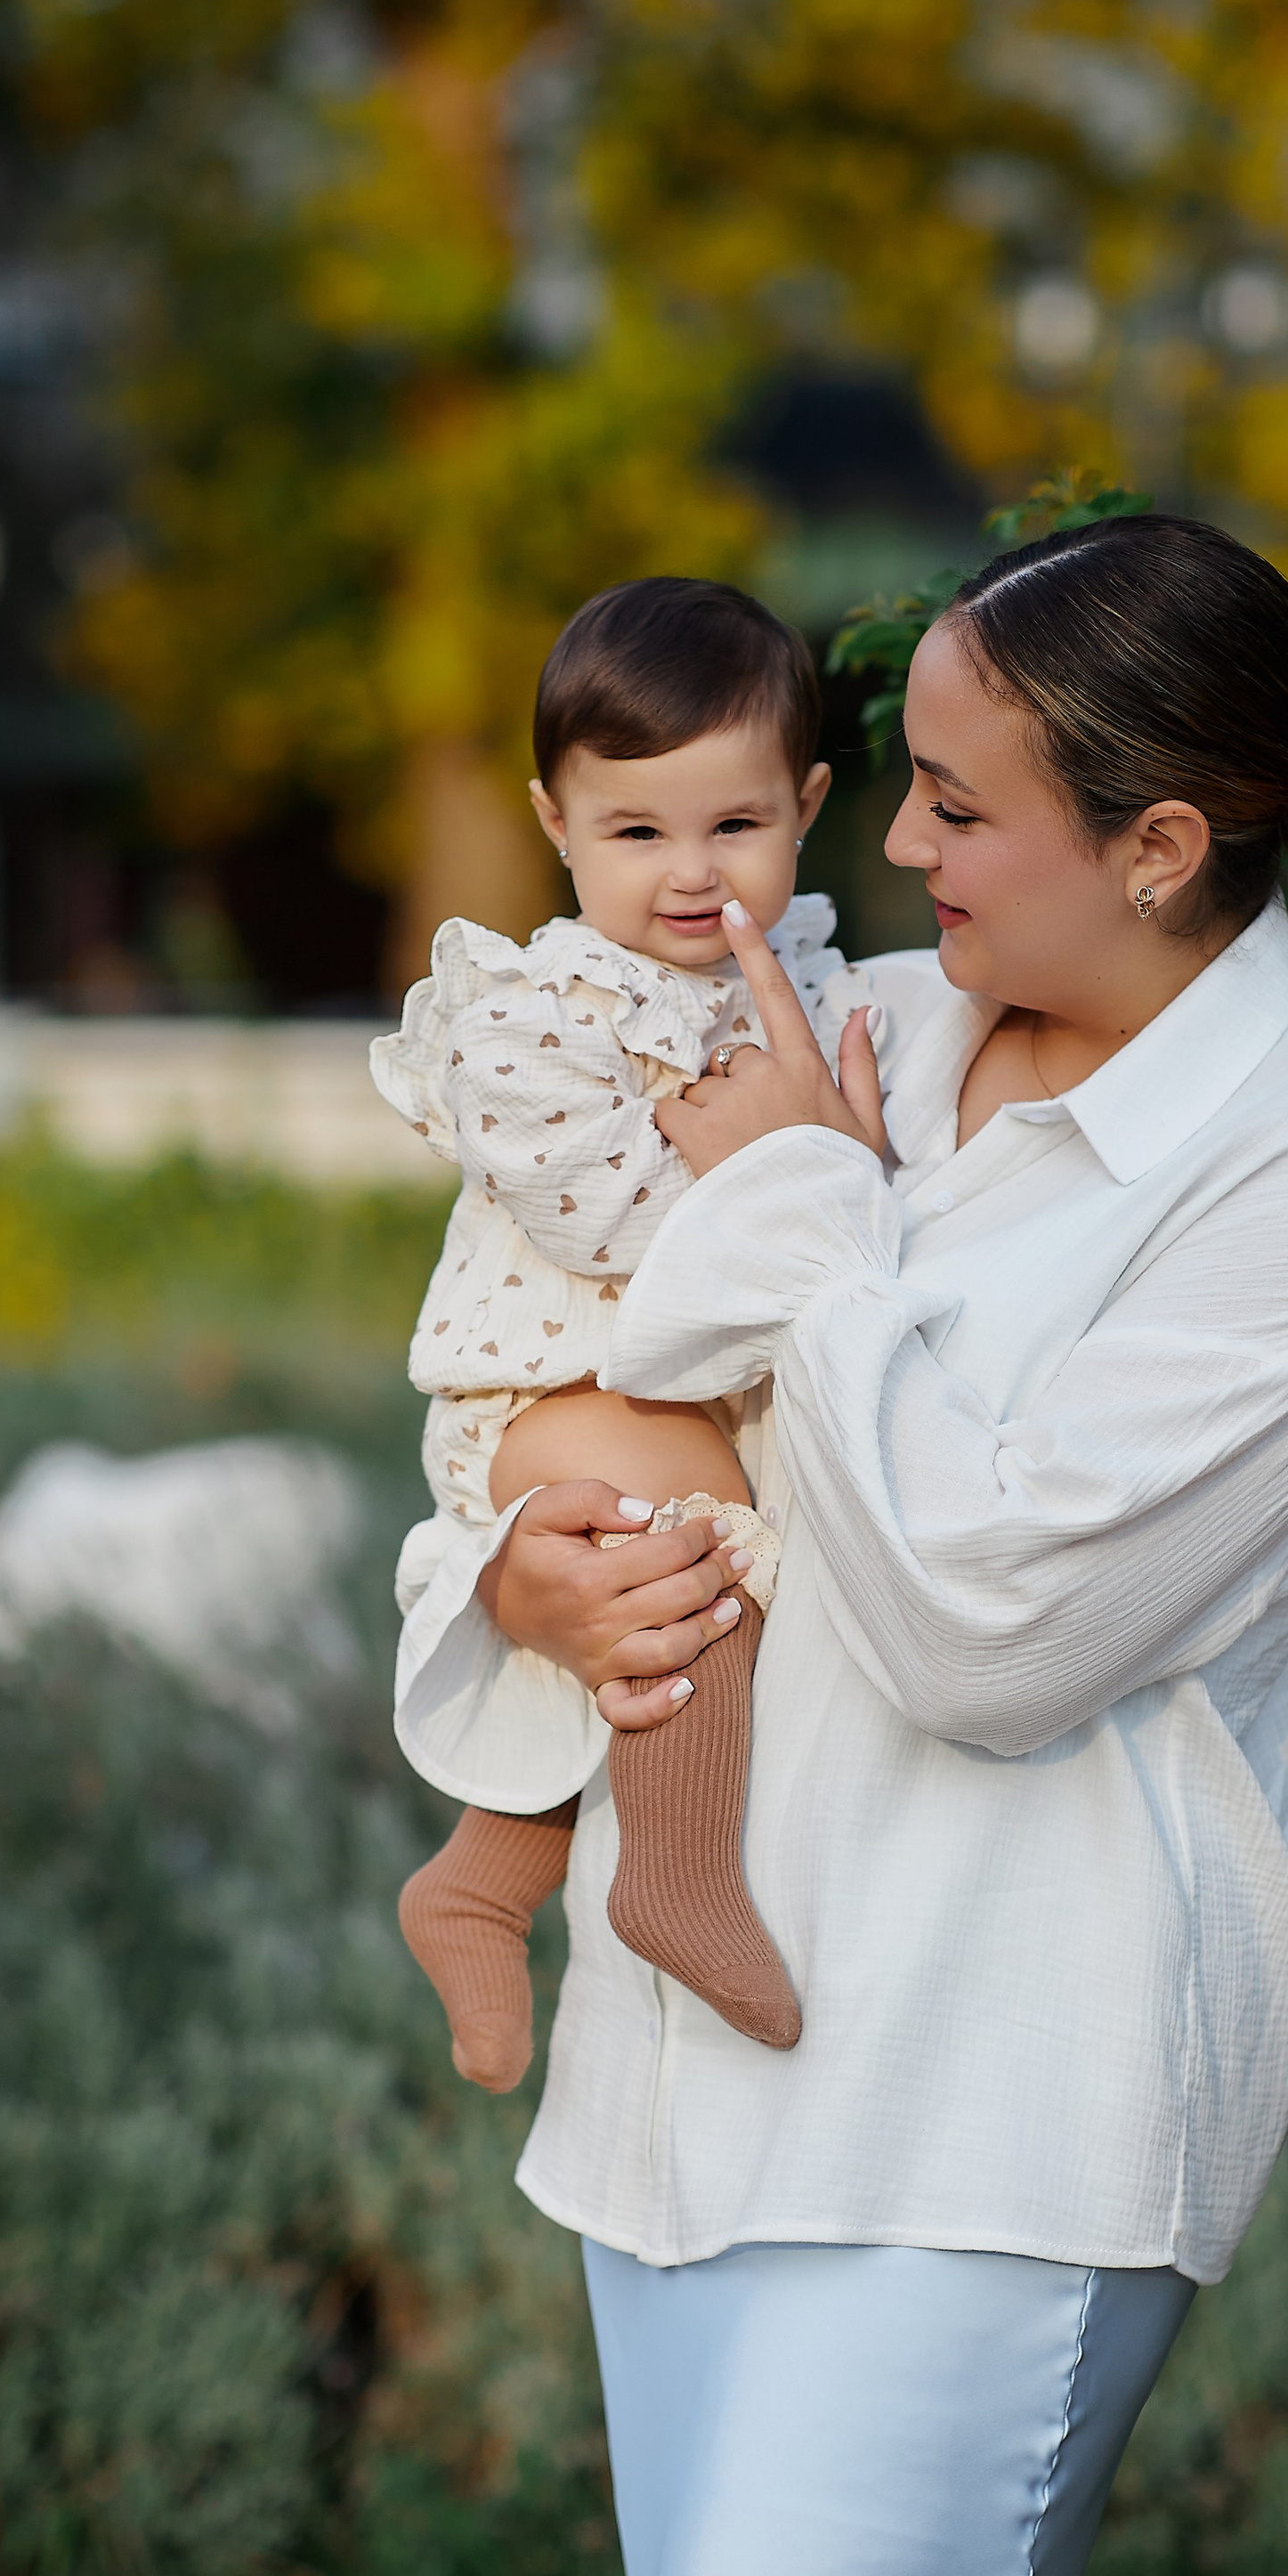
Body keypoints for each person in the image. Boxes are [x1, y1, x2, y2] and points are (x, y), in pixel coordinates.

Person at [393, 510, 1288, 2576]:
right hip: (692, 2074)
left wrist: (801, 1204)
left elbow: (989, 1627)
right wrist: (521, 1583)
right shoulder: (879, 1025)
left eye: (957, 806)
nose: (893, 851)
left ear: (1161, 844)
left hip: (996, 2100)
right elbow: (579, 1389)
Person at [373, 576, 876, 2093]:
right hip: (538, 1391)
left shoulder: (834, 984)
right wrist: (789, 1161)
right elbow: (605, 1216)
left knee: (675, 1565)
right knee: (691, 1541)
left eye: (734, 828)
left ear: (808, 804)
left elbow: (879, 1189)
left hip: (677, 1402)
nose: (688, 874)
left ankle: (484, 1874)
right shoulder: (533, 1010)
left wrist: (817, 1159)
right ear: (555, 823)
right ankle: (674, 1874)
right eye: (635, 832)